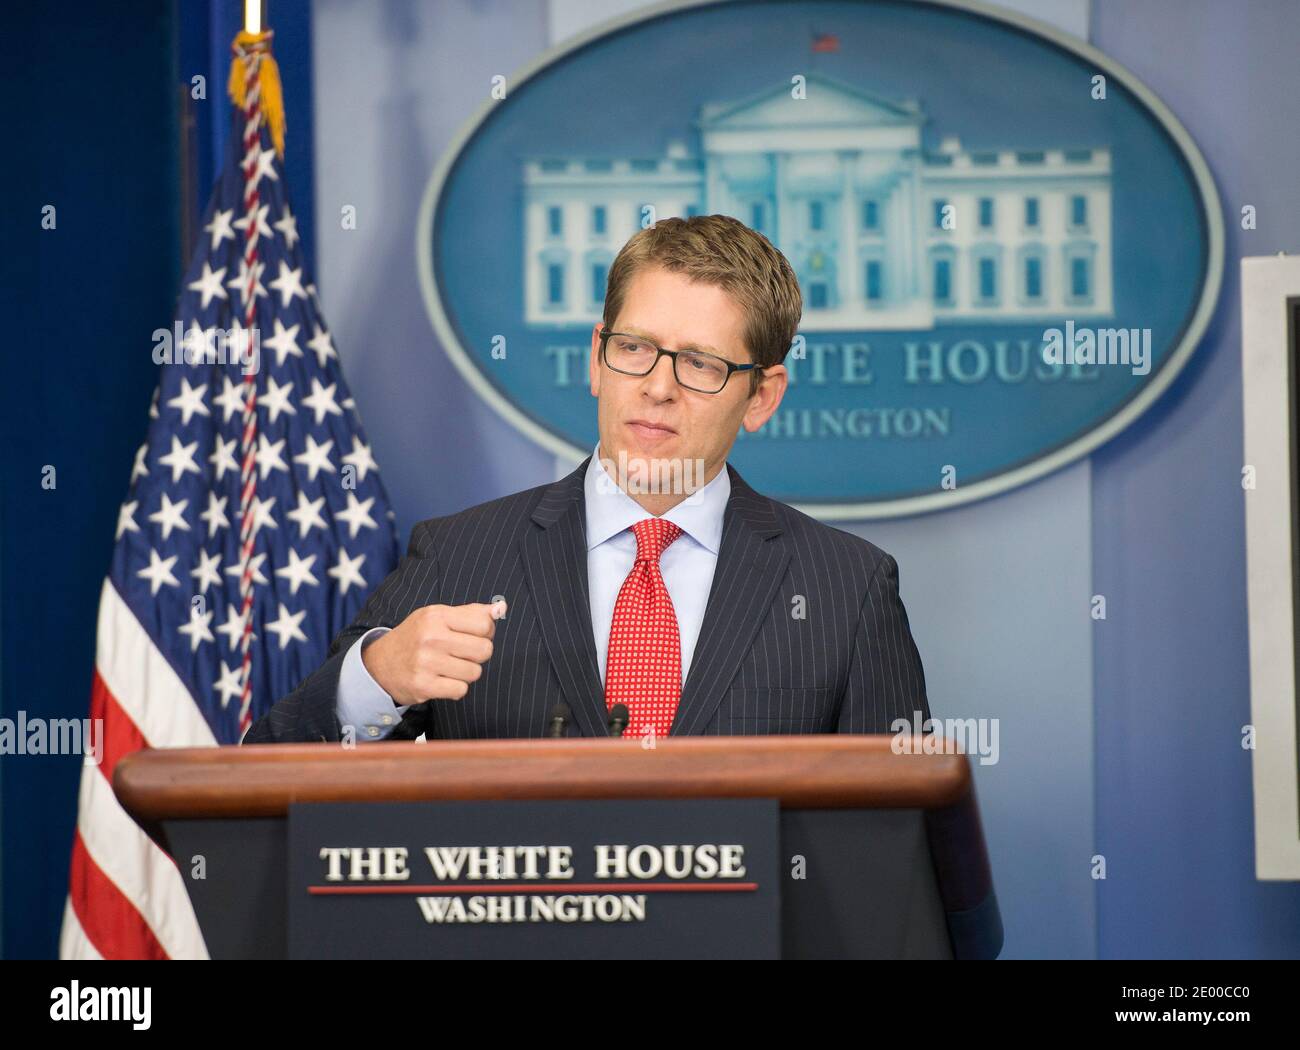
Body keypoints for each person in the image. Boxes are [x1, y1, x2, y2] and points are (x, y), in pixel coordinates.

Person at [242, 214, 929, 744]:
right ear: (598, 359)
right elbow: (273, 774)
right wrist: (378, 678)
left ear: (762, 396)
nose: (658, 387)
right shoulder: (457, 557)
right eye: (634, 349)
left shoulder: (847, 590)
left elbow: (901, 859)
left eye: (699, 364)